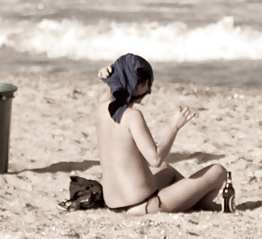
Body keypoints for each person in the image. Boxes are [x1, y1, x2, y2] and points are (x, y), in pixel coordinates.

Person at [95, 53, 229, 214]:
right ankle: (199, 203)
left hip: (115, 204)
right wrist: (174, 127)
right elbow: (155, 159)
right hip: (145, 204)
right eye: (147, 84)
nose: (149, 90)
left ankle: (191, 199)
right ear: (138, 84)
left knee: (168, 171)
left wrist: (110, 71)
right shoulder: (132, 116)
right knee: (218, 171)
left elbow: (113, 89)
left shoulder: (101, 107)